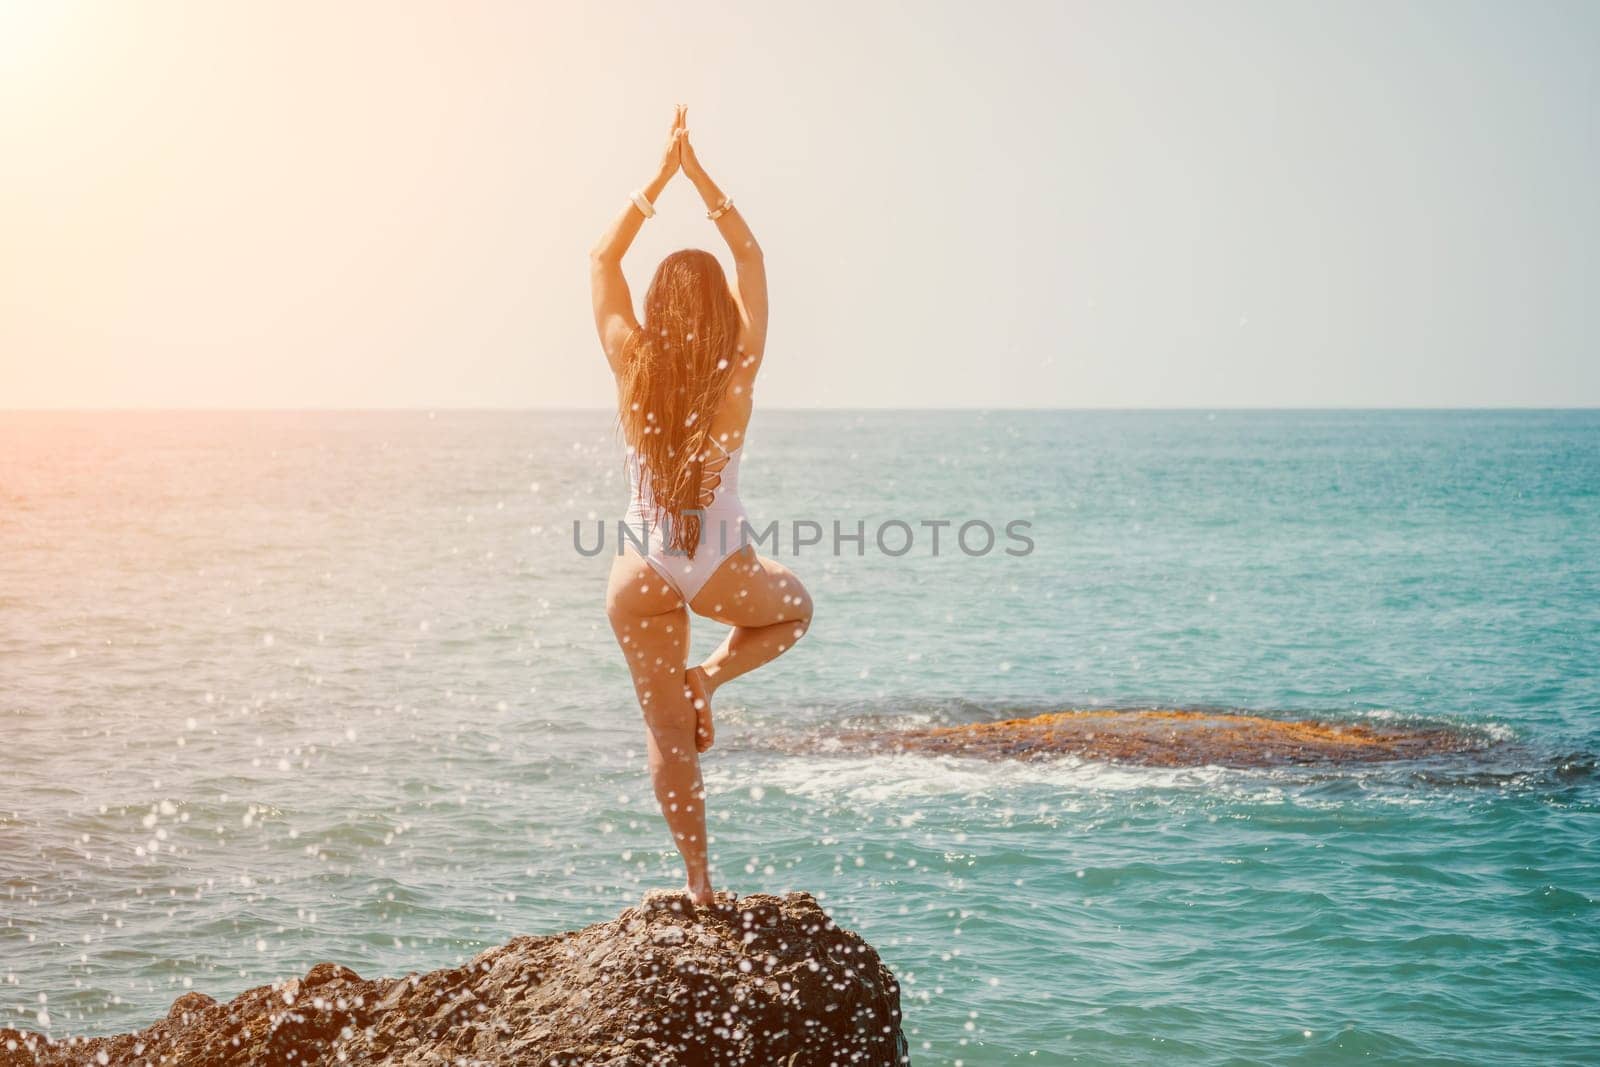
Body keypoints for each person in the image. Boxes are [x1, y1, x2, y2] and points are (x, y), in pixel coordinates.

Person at [588, 105, 814, 906]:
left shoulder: (631, 362)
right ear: (719, 307)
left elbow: (602, 256)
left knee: (664, 735)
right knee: (794, 610)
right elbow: (749, 254)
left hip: (638, 570)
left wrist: (657, 179)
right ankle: (710, 680)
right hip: (719, 566)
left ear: (657, 304)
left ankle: (699, 883)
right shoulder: (739, 369)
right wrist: (701, 178)